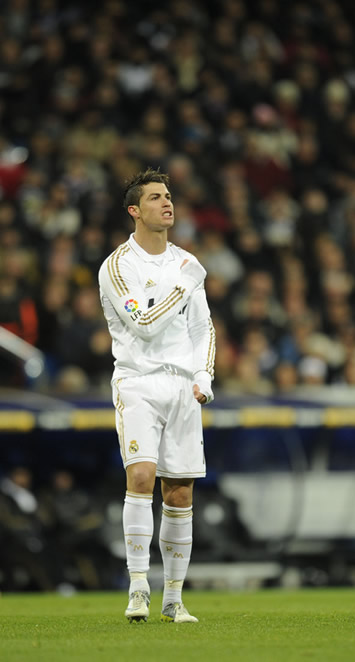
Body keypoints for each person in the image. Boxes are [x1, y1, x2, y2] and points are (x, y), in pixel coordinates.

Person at [98, 168, 216, 623]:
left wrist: (204, 374)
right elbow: (142, 323)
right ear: (134, 210)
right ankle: (138, 587)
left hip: (182, 386)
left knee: (181, 492)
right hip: (138, 382)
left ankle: (173, 598)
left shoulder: (185, 262)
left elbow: (203, 326)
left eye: (168, 196)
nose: (167, 203)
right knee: (142, 477)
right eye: (154, 198)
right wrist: (184, 283)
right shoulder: (118, 266)